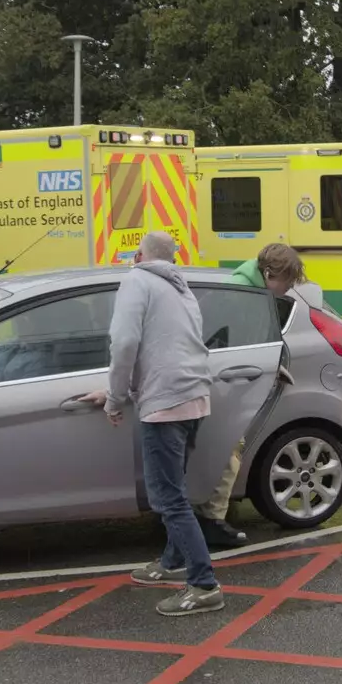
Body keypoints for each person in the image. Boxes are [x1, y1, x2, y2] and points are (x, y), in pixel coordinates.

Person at [85, 231, 223, 616]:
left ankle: (204, 584)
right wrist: (118, 392)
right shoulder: (182, 290)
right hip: (194, 397)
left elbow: (125, 343)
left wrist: (115, 398)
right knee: (174, 490)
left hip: (165, 403)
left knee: (167, 498)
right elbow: (165, 348)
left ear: (139, 255)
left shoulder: (136, 280)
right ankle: (172, 561)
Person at [191, 243, 316, 547]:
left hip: (223, 384)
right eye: (286, 282)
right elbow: (234, 345)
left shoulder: (245, 289)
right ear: (270, 274)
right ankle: (212, 522)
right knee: (229, 453)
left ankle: (209, 515)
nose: (287, 290)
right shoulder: (241, 297)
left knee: (224, 451)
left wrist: (272, 369)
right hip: (223, 386)